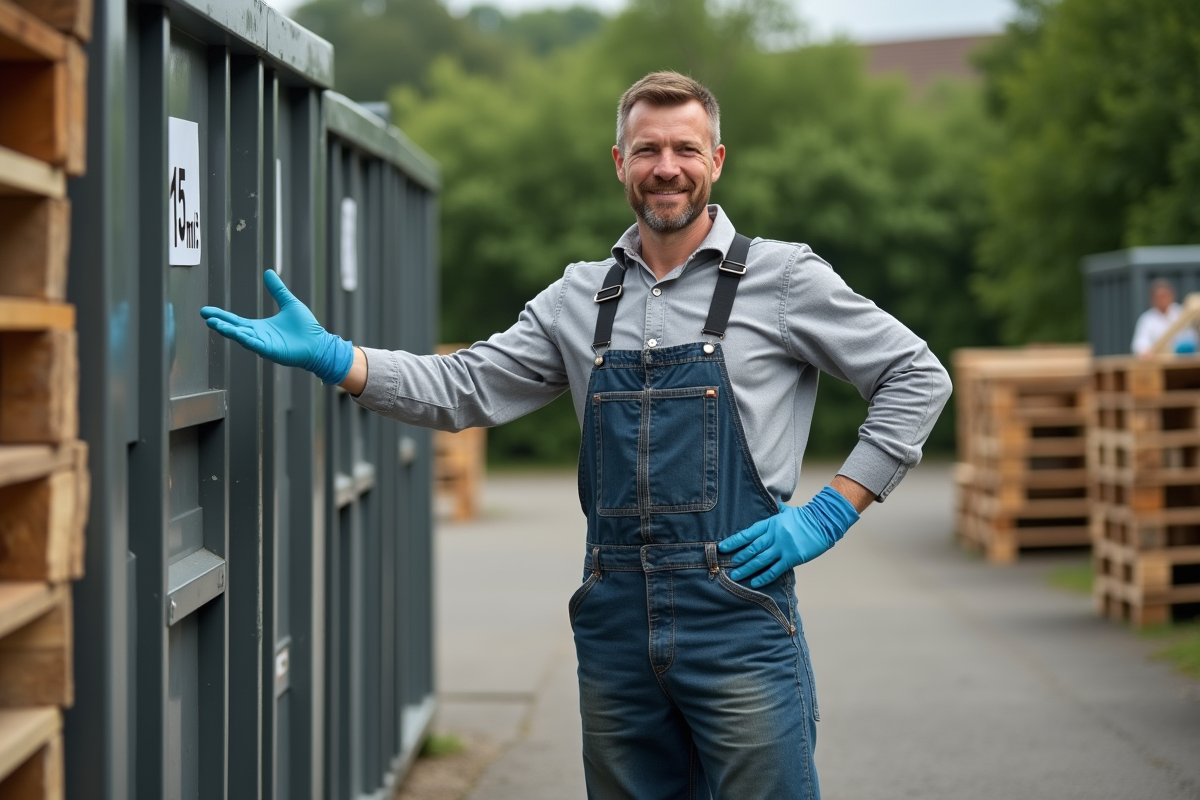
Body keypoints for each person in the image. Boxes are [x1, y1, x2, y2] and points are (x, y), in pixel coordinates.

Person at [201, 71, 952, 799]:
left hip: (738, 615)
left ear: (716, 161)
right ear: (620, 161)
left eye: (686, 149)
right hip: (615, 624)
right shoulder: (579, 298)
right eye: (647, 149)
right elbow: (465, 386)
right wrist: (338, 358)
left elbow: (917, 375)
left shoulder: (783, 279)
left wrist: (831, 511)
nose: (666, 168)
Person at [1131, 278, 1199, 356]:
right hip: (1159, 360)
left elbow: (1192, 338)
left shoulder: (1181, 314)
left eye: (1164, 296)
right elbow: (1140, 342)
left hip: (1182, 360)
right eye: (1159, 297)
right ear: (1152, 299)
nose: (1162, 300)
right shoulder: (1147, 319)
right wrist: (1144, 351)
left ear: (1172, 295)